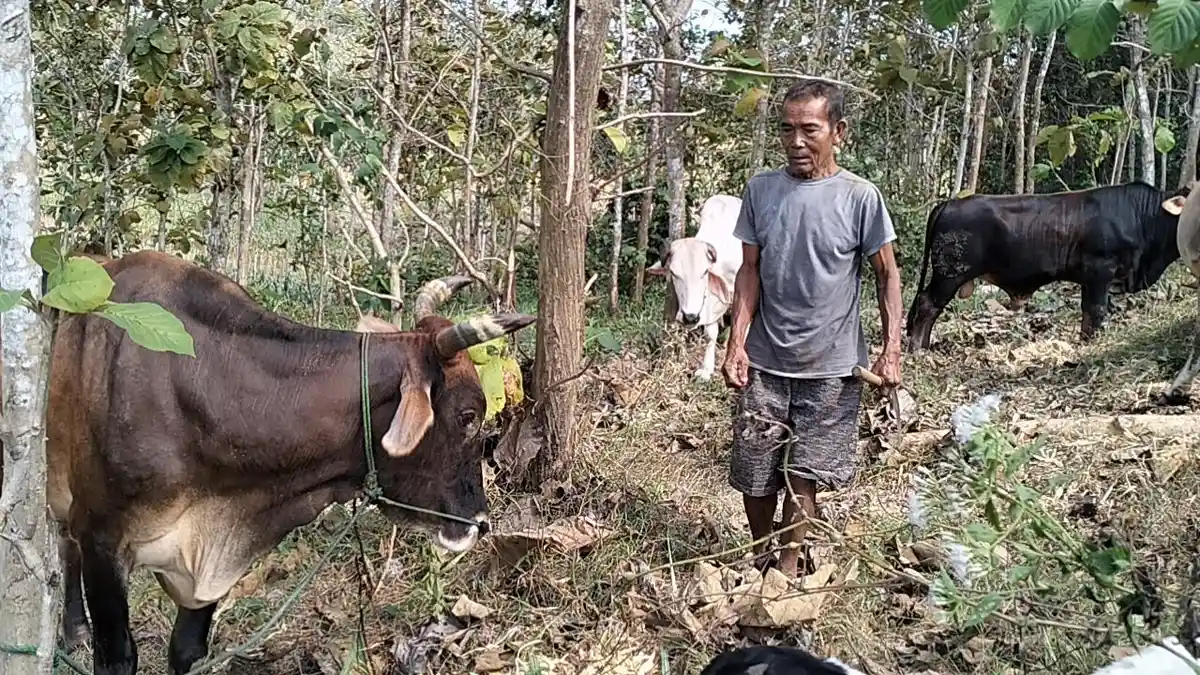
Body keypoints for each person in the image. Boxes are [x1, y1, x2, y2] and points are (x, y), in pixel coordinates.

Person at [722, 79, 903, 579]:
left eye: (809, 130)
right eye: (786, 130)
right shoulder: (762, 190)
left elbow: (888, 276)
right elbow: (749, 271)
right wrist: (736, 343)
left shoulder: (860, 197)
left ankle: (787, 567)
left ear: (838, 132)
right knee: (755, 473)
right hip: (765, 361)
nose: (796, 141)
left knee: (804, 474)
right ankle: (761, 558)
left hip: (833, 366)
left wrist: (892, 351)